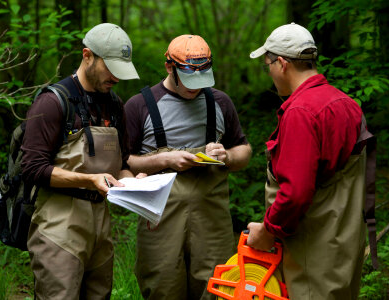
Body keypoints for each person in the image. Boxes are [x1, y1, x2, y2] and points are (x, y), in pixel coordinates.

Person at [247, 23, 376, 299]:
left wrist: (267, 231)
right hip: (344, 245)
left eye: (267, 64)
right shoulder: (346, 104)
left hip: (312, 252)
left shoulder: (301, 112)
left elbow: (295, 193)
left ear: (281, 63)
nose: (268, 72)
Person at [124, 34, 252, 299]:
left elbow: (244, 150)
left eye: (202, 80)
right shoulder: (139, 106)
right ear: (169, 67)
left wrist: (226, 156)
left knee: (217, 287)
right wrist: (164, 160)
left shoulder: (220, 102)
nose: (196, 88)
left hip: (212, 220)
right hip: (160, 220)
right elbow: (124, 162)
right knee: (163, 286)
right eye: (190, 80)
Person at [21, 23, 140, 299]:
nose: (116, 78)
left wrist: (136, 185)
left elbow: (122, 163)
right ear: (87, 56)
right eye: (110, 68)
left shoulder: (115, 105)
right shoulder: (53, 102)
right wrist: (89, 180)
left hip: (101, 227)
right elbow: (32, 168)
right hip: (59, 228)